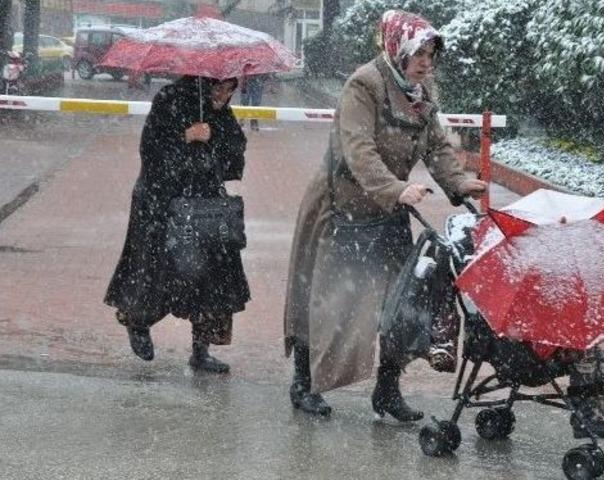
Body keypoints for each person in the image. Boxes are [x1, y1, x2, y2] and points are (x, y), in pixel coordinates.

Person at [282, 10, 487, 419]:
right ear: (397, 49)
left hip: (390, 208)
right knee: (329, 299)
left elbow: (437, 147)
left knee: (402, 302)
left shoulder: (421, 94)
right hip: (341, 207)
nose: (426, 62)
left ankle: (387, 391)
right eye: (419, 53)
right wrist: (396, 189)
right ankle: (304, 384)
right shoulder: (364, 85)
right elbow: (359, 151)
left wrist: (459, 183)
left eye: (431, 54)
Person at [105, 75, 250, 373]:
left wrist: (215, 139)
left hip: (205, 206)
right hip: (161, 203)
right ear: (203, 83)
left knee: (212, 275)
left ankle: (201, 350)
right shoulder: (169, 100)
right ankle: (138, 321)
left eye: (229, 91)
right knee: (157, 269)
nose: (223, 97)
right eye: (218, 89)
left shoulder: (222, 112)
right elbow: (150, 150)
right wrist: (186, 137)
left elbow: (236, 153)